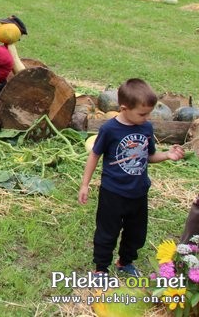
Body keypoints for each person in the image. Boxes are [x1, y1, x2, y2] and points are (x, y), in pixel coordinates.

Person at [78, 78, 185, 277]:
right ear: (124, 108)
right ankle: (101, 269)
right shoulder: (109, 129)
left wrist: (167, 155)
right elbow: (94, 155)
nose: (147, 117)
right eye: (143, 113)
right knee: (107, 232)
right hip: (113, 192)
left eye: (149, 113)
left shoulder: (146, 128)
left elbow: (149, 156)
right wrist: (85, 184)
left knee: (136, 234)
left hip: (138, 192)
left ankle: (124, 262)